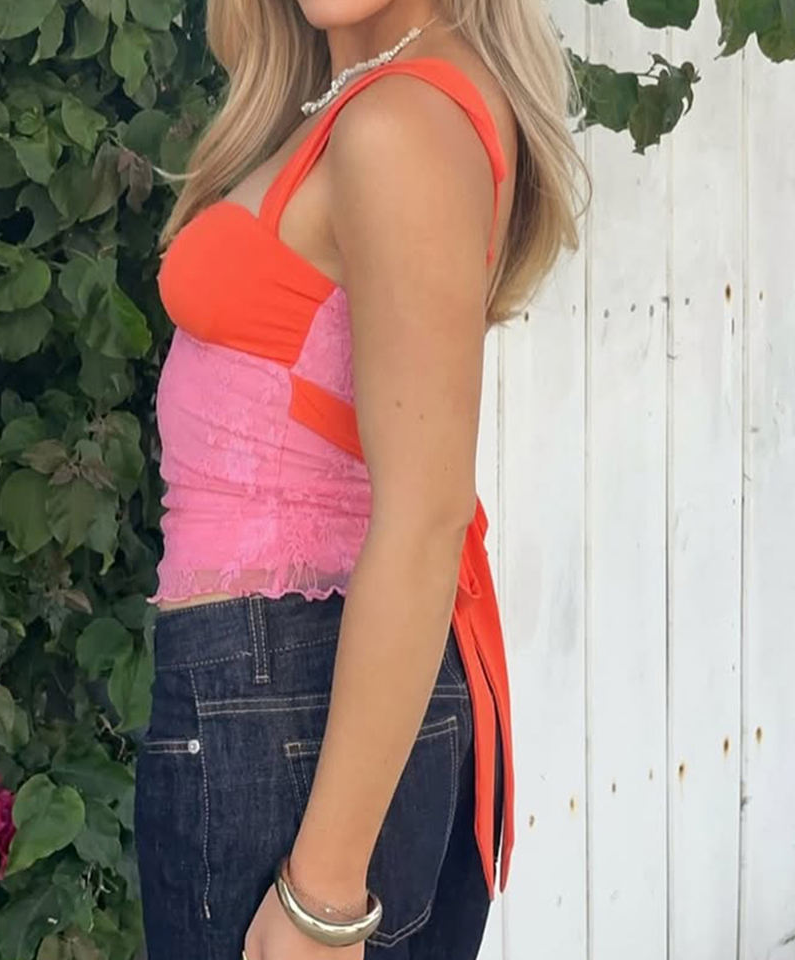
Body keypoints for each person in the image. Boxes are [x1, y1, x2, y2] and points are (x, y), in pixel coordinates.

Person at [135, 1, 586, 958]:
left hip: (278, 693)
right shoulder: (378, 100)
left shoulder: (401, 122)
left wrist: (324, 897)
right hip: (281, 695)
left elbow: (426, 517)